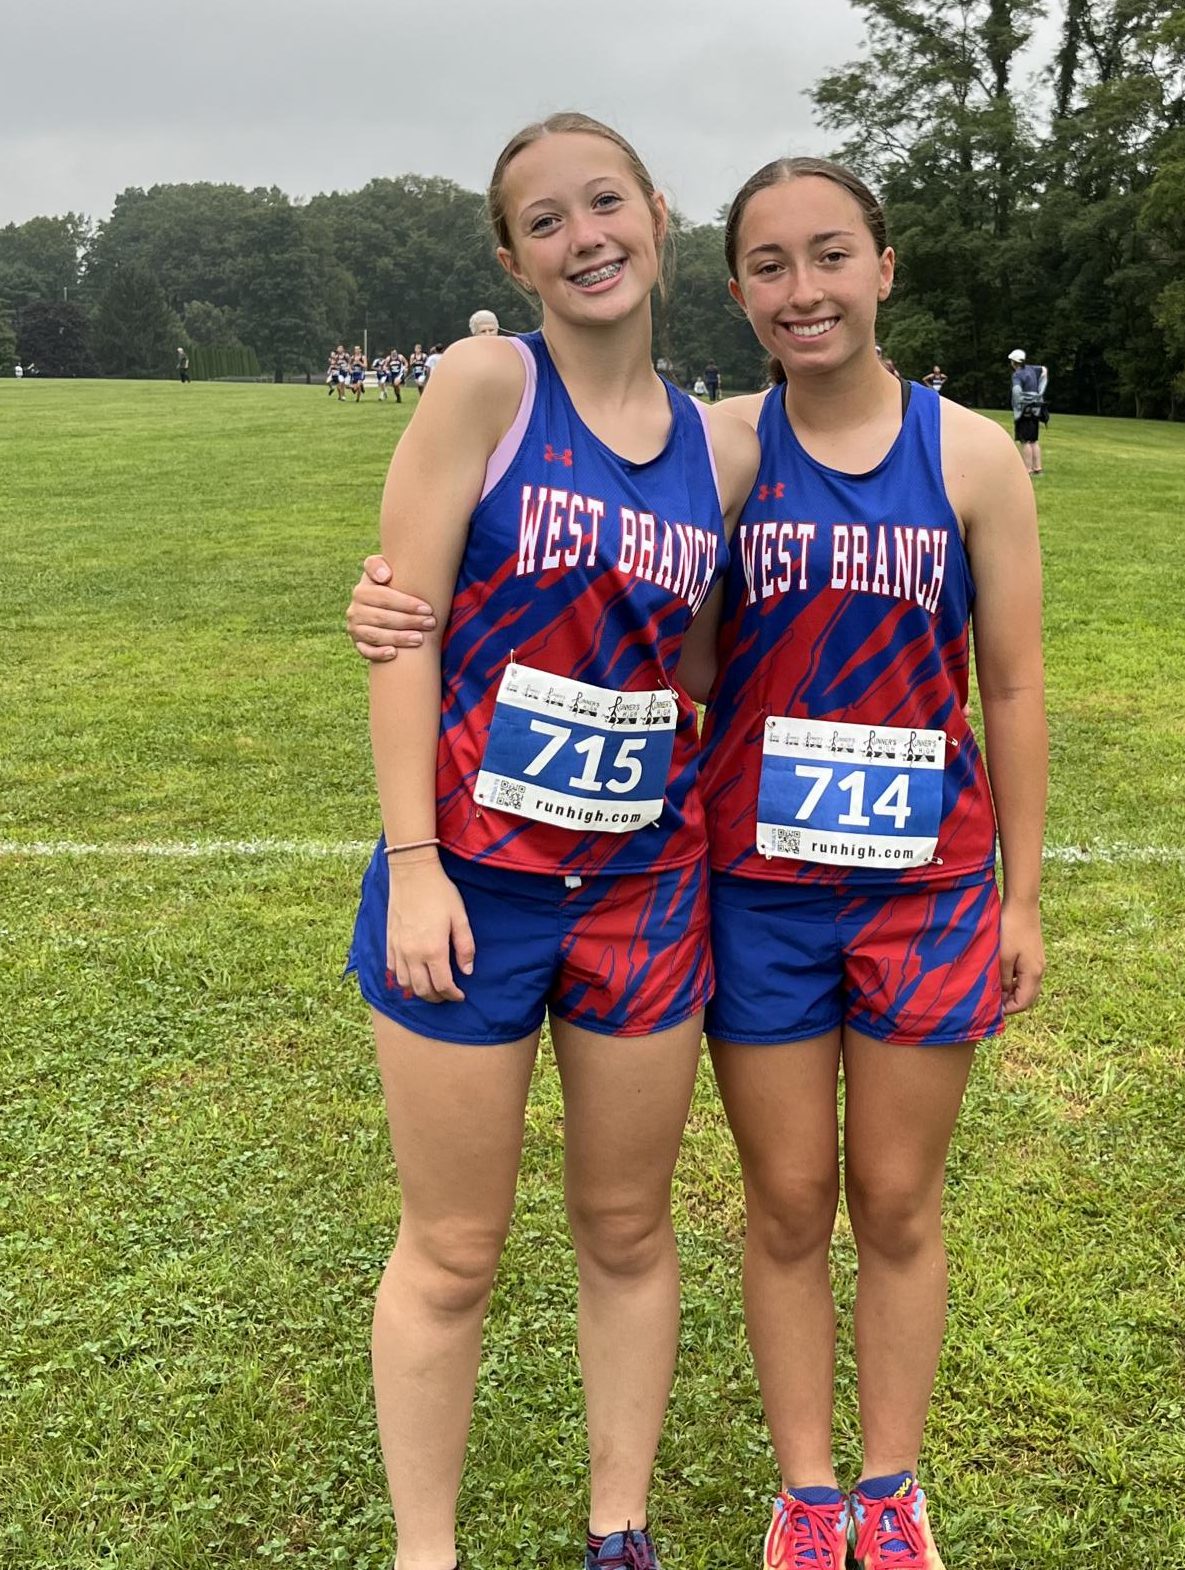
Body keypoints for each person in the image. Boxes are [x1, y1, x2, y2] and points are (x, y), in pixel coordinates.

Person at [349, 153, 1046, 1570]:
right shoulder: (628, 421)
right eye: (774, 265)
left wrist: (1017, 890)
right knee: (660, 1217)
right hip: (615, 885)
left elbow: (969, 680)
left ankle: (814, 1500)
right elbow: (519, 605)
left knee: (792, 1208)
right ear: (729, 283)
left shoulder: (853, 451)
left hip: (779, 886)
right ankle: (749, 1500)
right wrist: (391, 613)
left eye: (834, 254)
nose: (805, 289)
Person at [343, 111, 755, 1570]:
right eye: (545, 220)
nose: (586, 236)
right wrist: (409, 863)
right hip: (468, 888)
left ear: (655, 210)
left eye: (605, 202)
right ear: (514, 260)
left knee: (628, 1228)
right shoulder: (481, 385)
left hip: (642, 897)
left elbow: (697, 669)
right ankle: (426, 1550)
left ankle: (619, 1528)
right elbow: (407, 627)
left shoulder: (721, 447)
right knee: (453, 1247)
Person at [1008, 348, 1048, 476]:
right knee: (1034, 440)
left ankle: (1028, 470)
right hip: (1036, 408)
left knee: (1025, 440)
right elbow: (1044, 371)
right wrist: (1040, 391)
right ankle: (1038, 468)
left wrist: (1019, 405)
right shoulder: (1032, 369)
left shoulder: (1017, 375)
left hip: (1025, 410)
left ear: (1014, 362)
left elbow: (1017, 393)